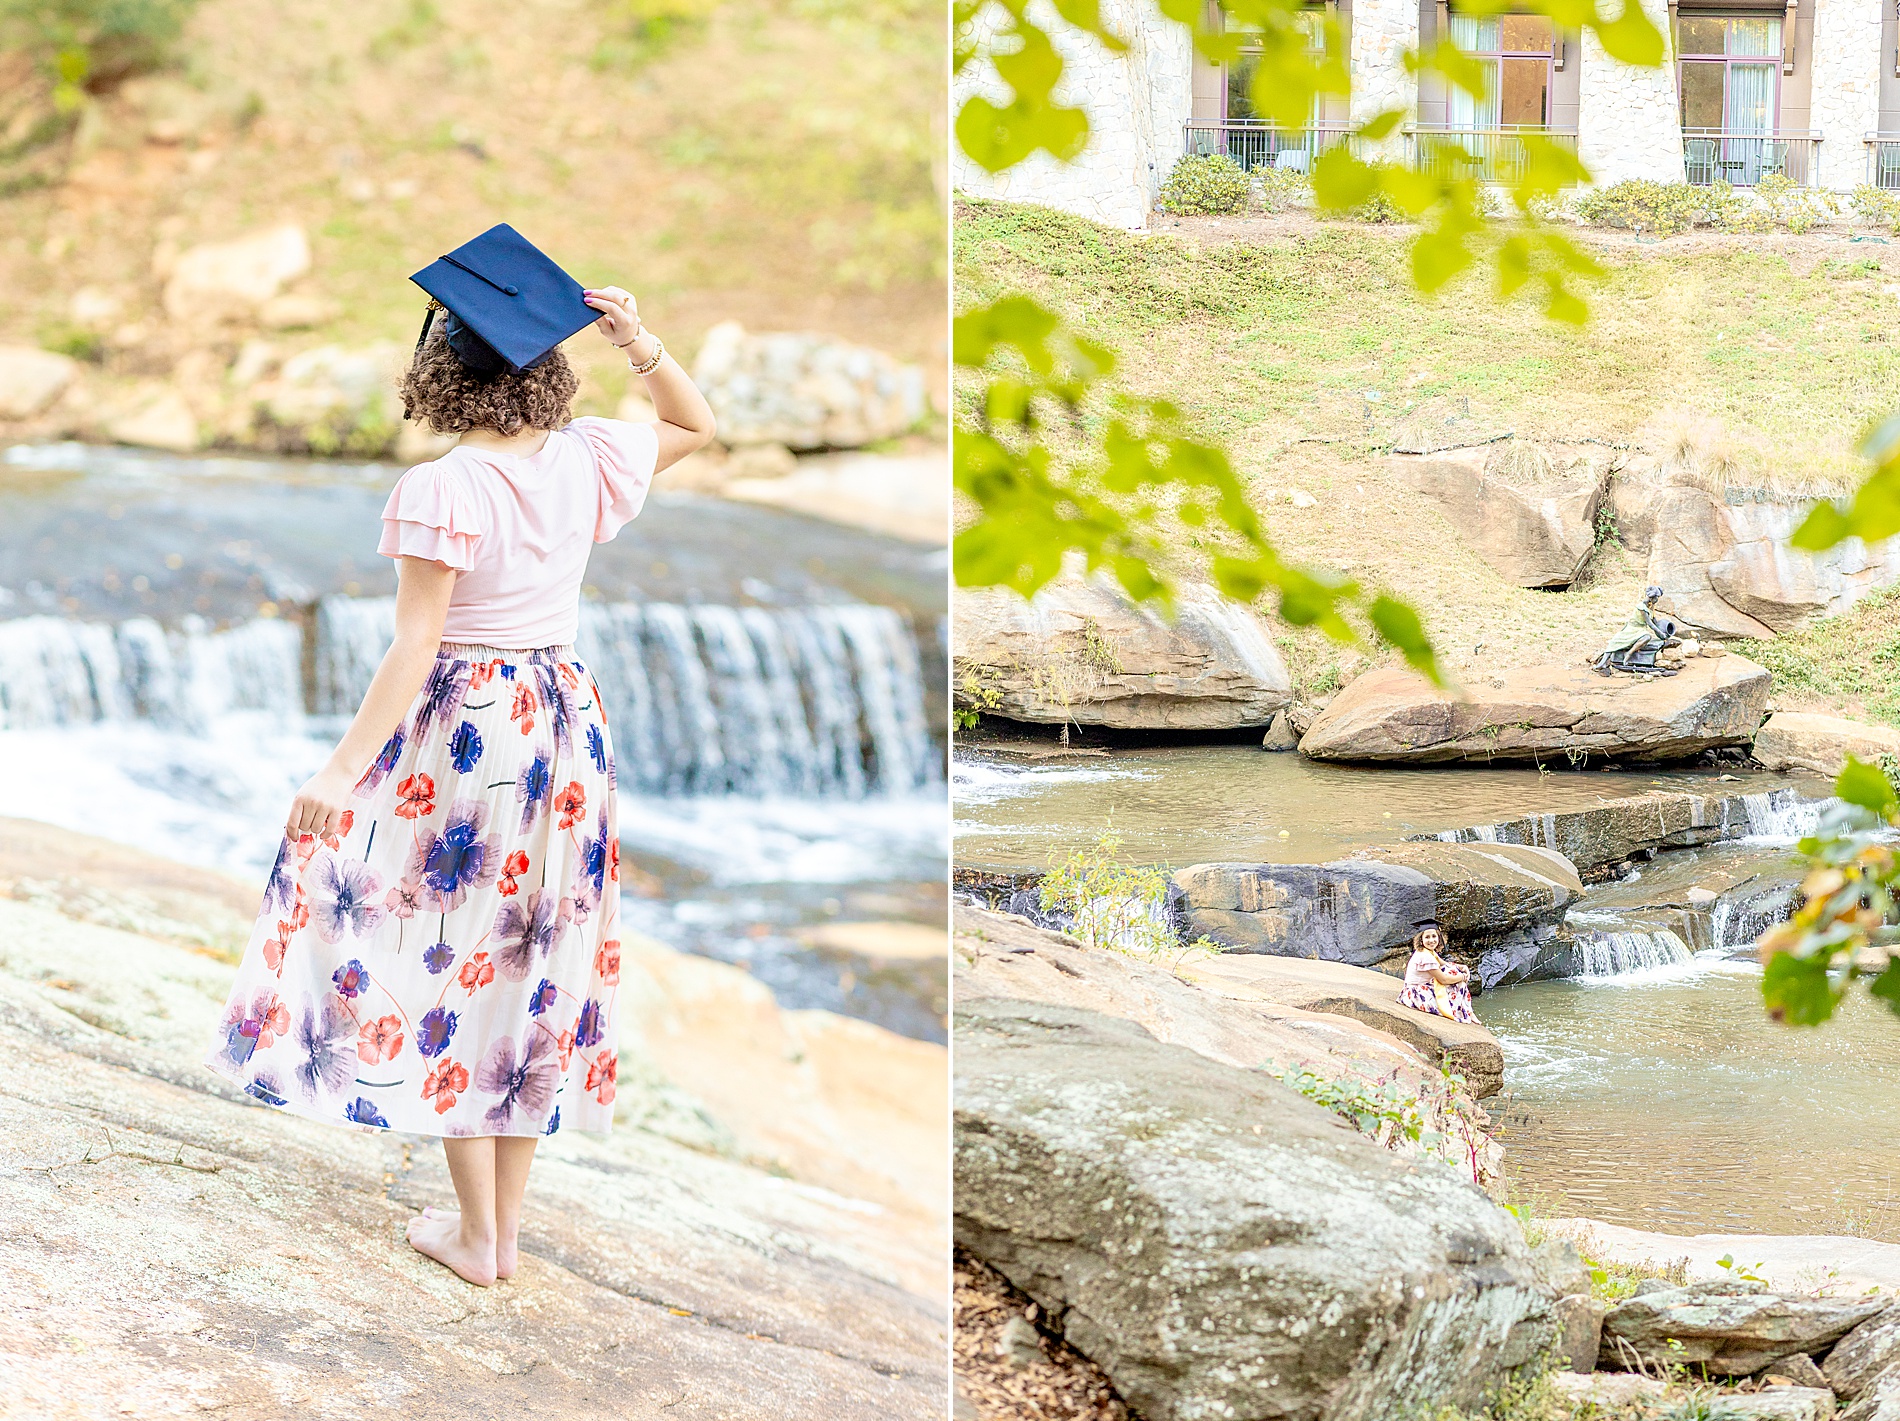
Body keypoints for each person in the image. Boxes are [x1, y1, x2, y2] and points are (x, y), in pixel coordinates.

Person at [202, 252, 717, 1287]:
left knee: (442, 955)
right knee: (526, 962)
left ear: (442, 374)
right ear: (545, 372)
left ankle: (477, 1233)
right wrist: (635, 339)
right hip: (563, 723)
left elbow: (414, 646)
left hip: (467, 731)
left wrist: (342, 771)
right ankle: (500, 1232)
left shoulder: (442, 484)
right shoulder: (590, 457)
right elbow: (694, 424)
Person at [1396, 924, 1479, 1024]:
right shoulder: (1425, 956)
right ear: (1421, 940)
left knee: (1452, 971)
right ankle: (1468, 1012)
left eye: (1434, 936)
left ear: (1439, 938)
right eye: (1427, 937)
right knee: (1459, 983)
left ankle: (1468, 1011)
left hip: (1419, 988)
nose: (1431, 940)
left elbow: (1444, 964)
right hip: (1416, 994)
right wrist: (1462, 977)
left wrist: (1461, 967)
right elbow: (1443, 979)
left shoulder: (1428, 951)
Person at [1592, 585, 1681, 676]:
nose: (1657, 599)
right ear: (1651, 597)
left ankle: (1629, 653)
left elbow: (1654, 619)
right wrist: (1660, 632)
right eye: (1657, 597)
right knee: (1615, 642)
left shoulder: (1651, 605)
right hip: (1632, 629)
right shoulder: (1641, 607)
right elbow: (1650, 623)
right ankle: (1602, 663)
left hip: (1641, 629)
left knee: (1647, 637)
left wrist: (1661, 632)